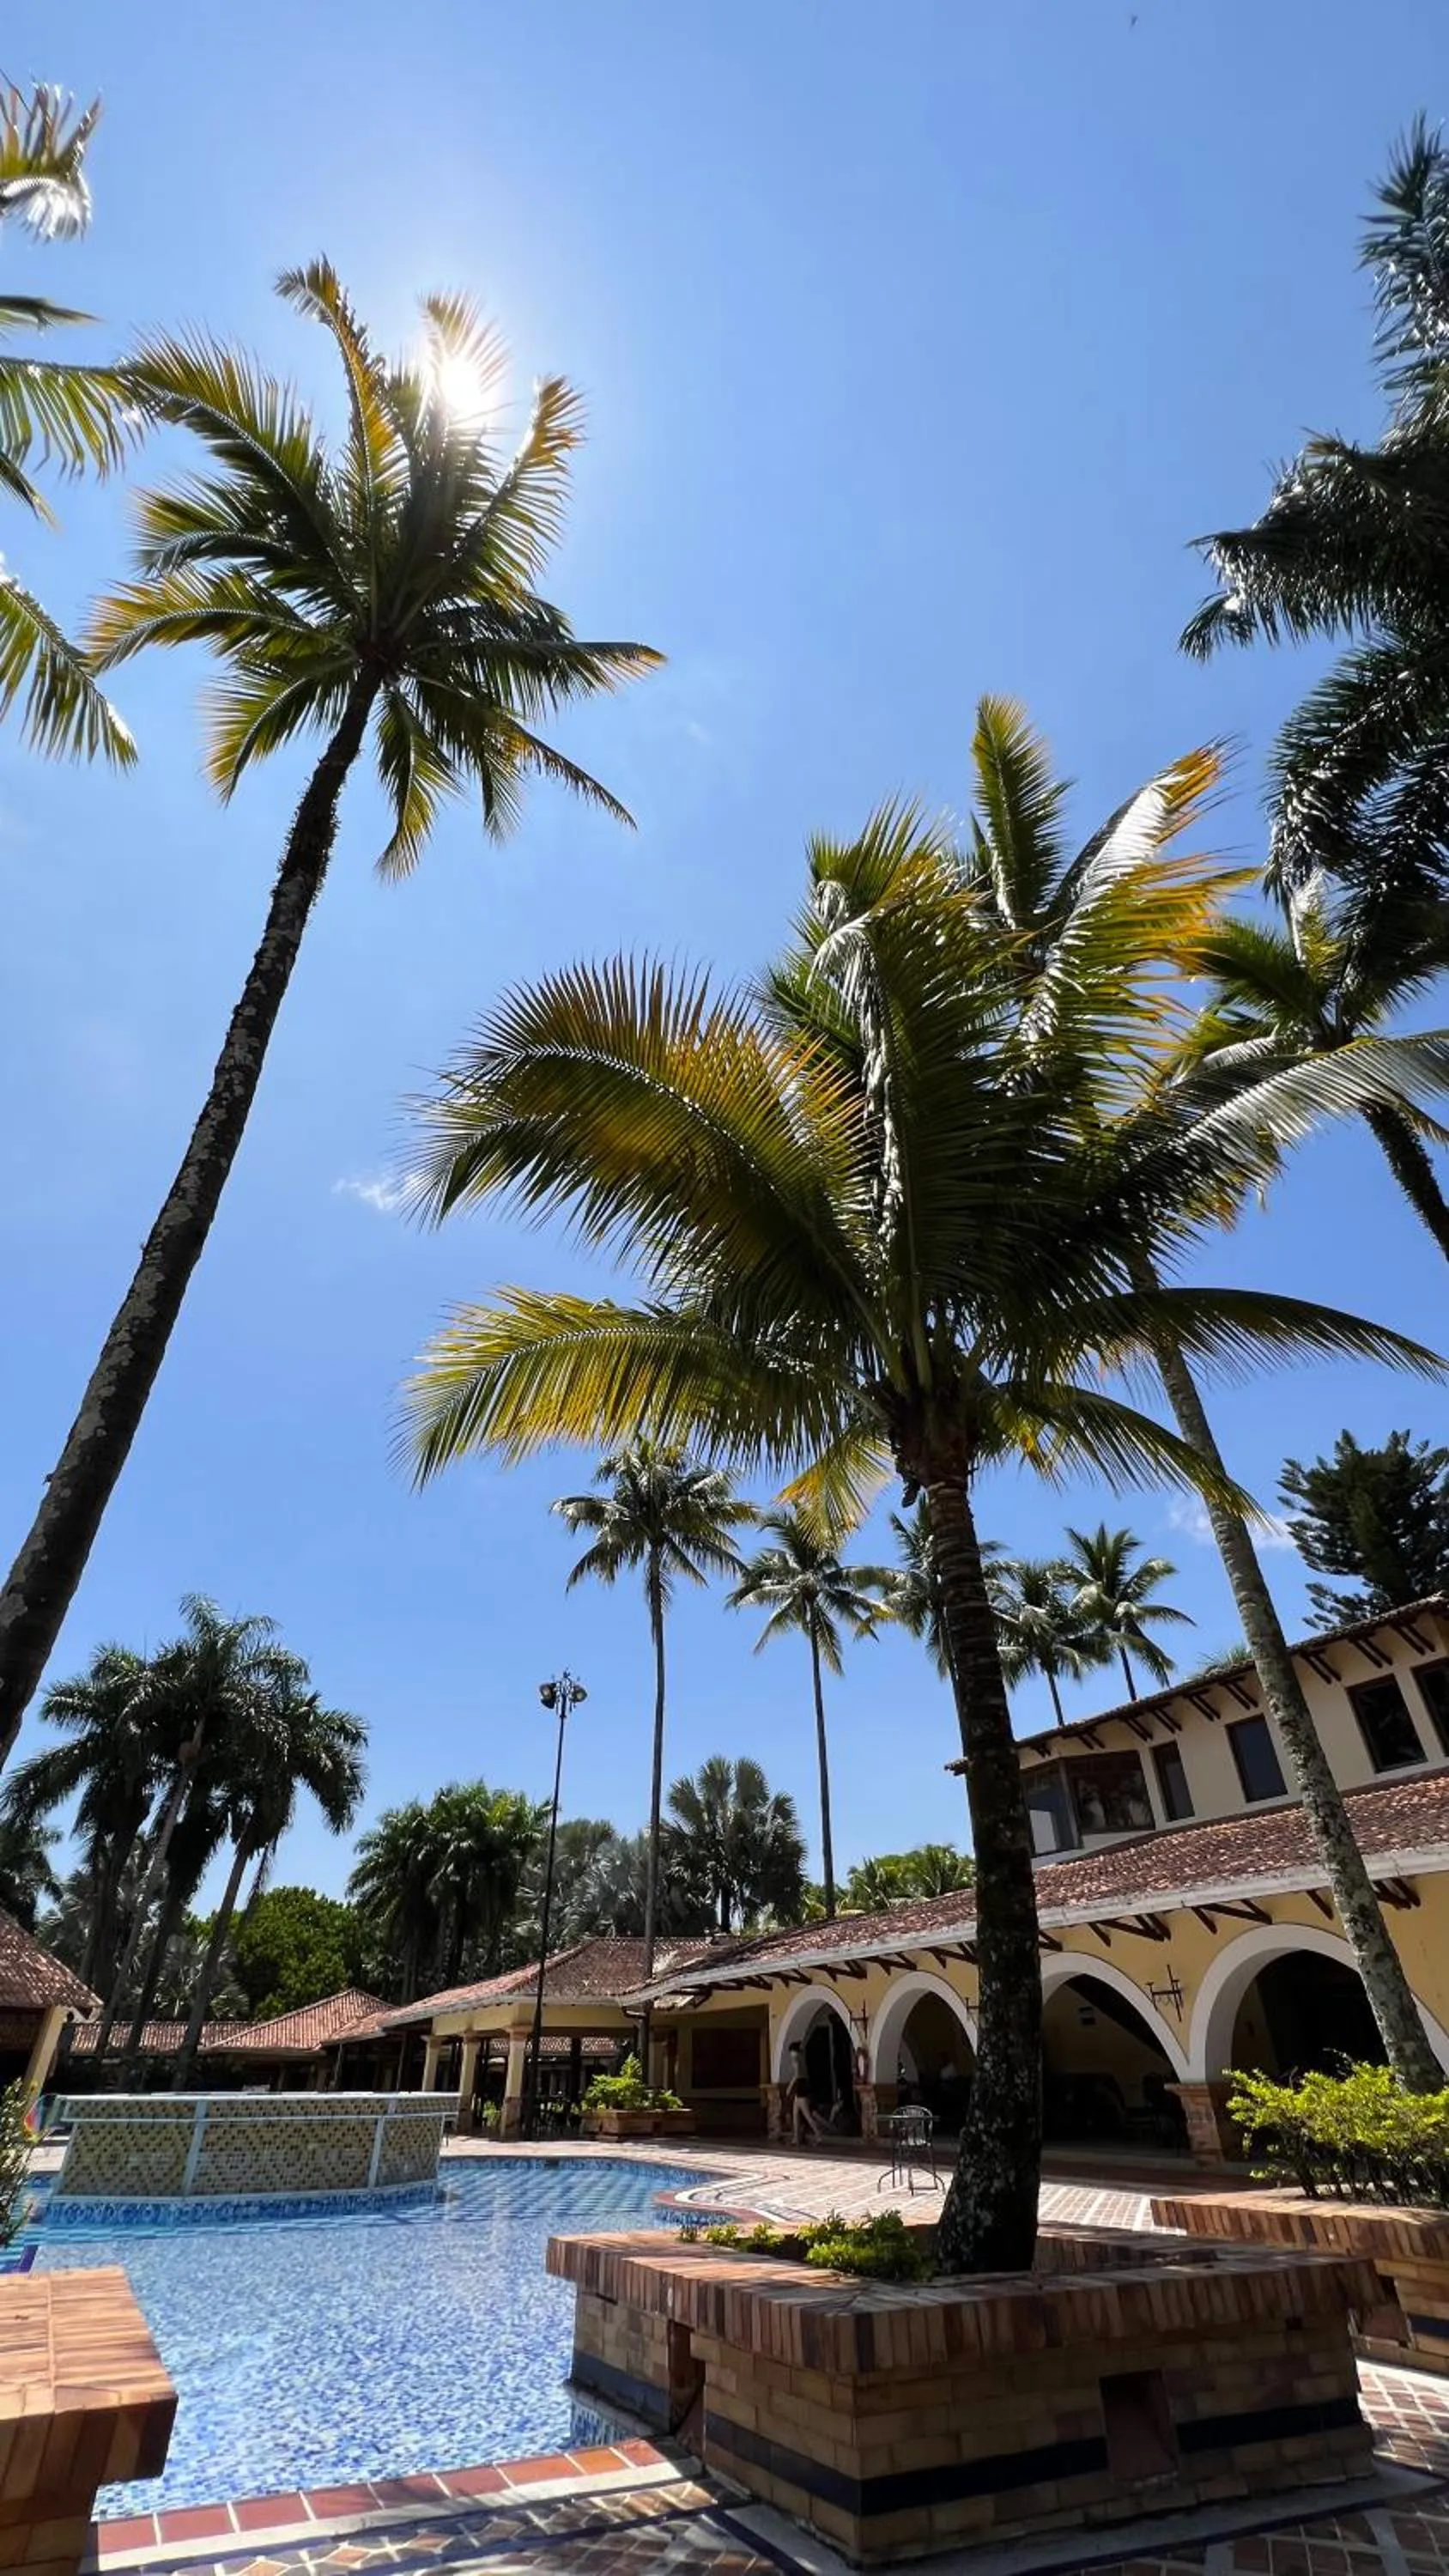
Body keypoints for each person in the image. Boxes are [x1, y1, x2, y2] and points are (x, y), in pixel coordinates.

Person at [786, 2043, 828, 2146]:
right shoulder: (802, 2058)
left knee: (807, 2114)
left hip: (800, 2087)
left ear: (793, 2051)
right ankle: (796, 2138)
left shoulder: (796, 2059)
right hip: (803, 2085)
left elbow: (796, 2075)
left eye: (791, 2052)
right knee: (795, 2113)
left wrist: (789, 2087)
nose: (790, 2054)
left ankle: (819, 2135)